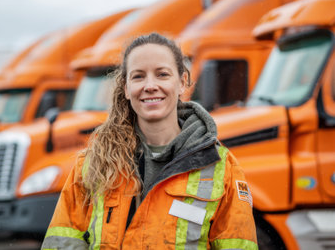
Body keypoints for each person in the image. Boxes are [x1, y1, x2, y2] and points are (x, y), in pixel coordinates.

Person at [41, 33, 258, 249]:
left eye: (162, 74)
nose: (150, 85)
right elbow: (61, 243)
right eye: (138, 76)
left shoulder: (221, 167)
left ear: (182, 82)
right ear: (125, 88)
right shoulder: (92, 164)